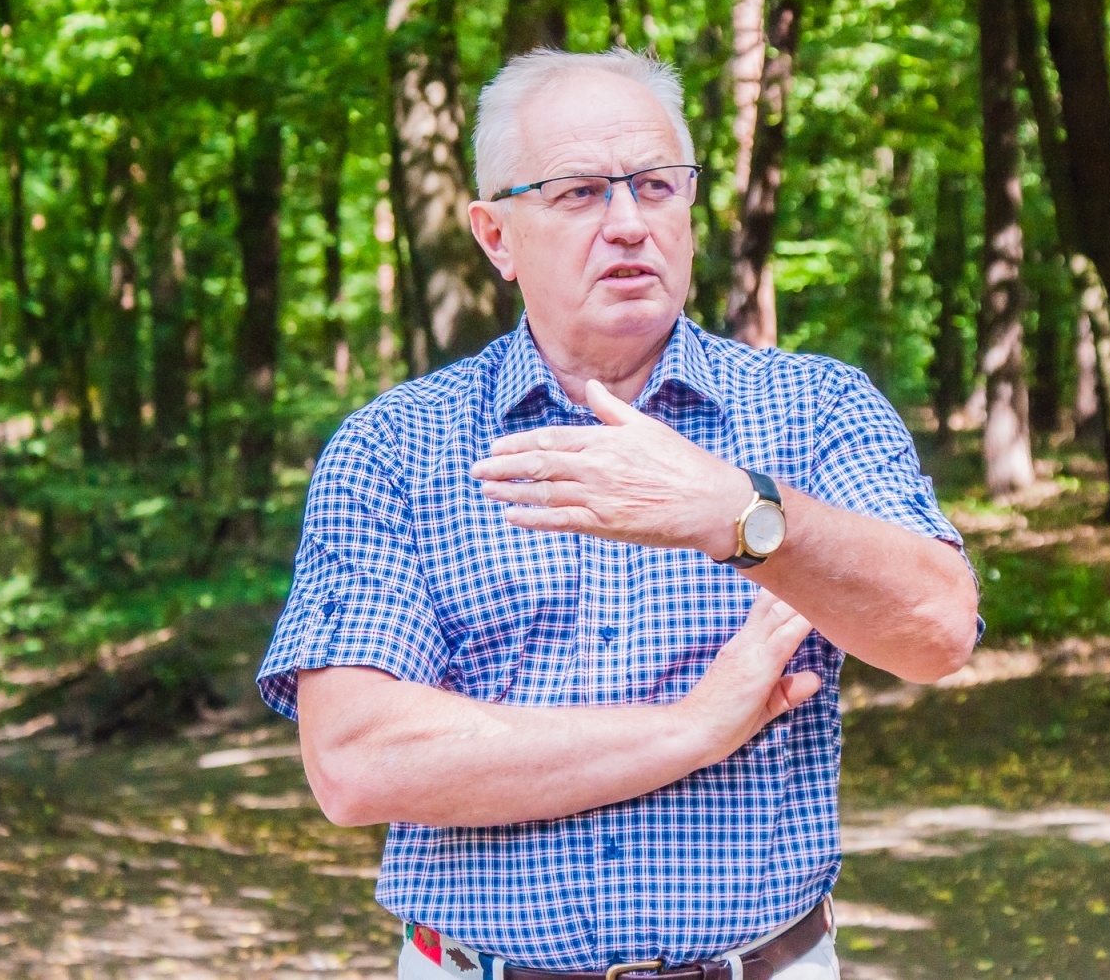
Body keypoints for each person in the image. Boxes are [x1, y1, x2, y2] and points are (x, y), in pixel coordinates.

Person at [257, 48, 980, 980]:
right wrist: (692, 728)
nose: (630, 222)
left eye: (656, 186)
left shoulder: (816, 409)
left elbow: (937, 631)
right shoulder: (394, 447)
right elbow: (356, 763)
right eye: (580, 193)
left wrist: (741, 514)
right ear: (496, 235)